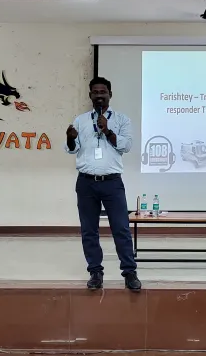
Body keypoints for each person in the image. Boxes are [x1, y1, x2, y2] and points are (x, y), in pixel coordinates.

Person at [65, 77, 141, 292]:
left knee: (121, 229)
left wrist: (107, 130)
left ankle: (129, 272)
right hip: (86, 183)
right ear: (90, 95)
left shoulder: (122, 120)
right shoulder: (80, 120)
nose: (99, 95)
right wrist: (70, 138)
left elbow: (126, 146)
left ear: (110, 94)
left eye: (103, 92)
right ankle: (95, 272)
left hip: (112, 183)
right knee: (89, 230)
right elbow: (72, 148)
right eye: (95, 92)